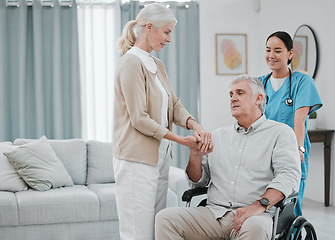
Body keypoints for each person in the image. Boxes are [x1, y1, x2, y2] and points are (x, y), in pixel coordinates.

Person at [155, 75, 301, 240]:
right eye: (231, 94)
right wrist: (195, 156)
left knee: (255, 228)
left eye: (240, 93)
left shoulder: (280, 133)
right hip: (214, 214)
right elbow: (198, 182)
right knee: (165, 218)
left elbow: (289, 176)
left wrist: (258, 206)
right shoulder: (218, 136)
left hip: (256, 216)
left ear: (258, 98)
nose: (233, 99)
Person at [113, 3, 211, 240]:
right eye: (166, 32)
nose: (169, 39)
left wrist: (193, 124)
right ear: (149, 28)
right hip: (136, 161)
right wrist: (180, 140)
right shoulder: (130, 63)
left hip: (159, 158)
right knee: (138, 232)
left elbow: (173, 103)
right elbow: (139, 119)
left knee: (156, 228)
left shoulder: (156, 65)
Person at [259, 31, 322, 216]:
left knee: (289, 209)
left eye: (278, 50)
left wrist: (298, 149)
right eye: (268, 50)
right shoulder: (260, 83)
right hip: (264, 153)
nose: (271, 55)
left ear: (290, 53)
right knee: (263, 205)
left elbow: (300, 119)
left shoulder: (302, 81)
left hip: (291, 152)